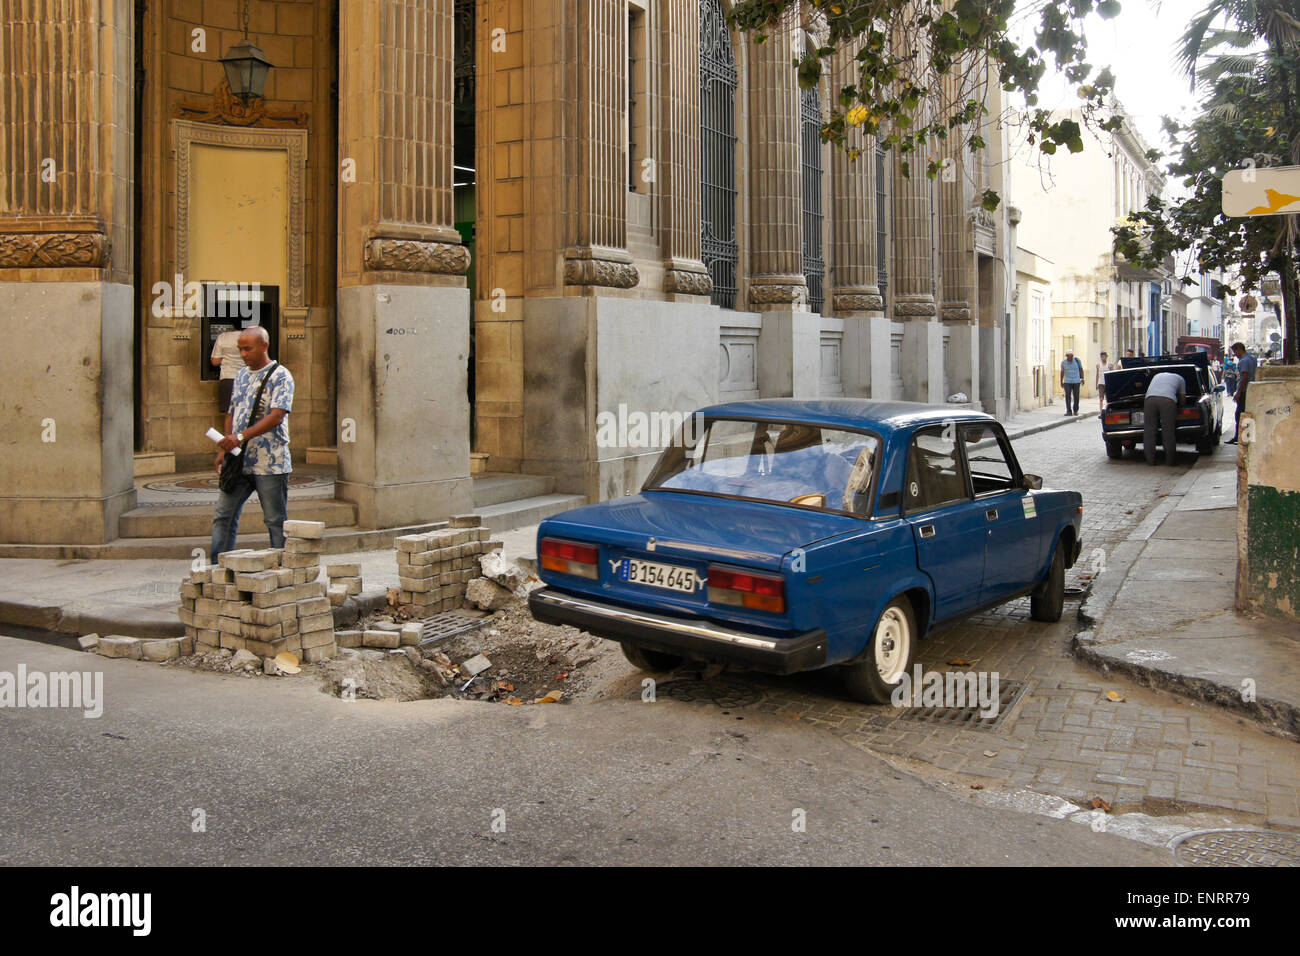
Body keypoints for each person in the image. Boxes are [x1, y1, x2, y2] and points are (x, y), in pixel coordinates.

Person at [210, 327, 295, 562]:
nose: (243, 354)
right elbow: (231, 412)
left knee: (275, 520)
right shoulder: (240, 375)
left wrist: (240, 436)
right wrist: (224, 447)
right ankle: (218, 570)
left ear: (264, 346)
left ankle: (283, 569)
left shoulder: (281, 375)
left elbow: (276, 415)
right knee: (223, 516)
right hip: (239, 460)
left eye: (248, 348)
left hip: (270, 463)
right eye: (240, 349)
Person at [1143, 369, 1186, 466]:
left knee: (1149, 431)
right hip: (1168, 401)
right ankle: (1170, 461)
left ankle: (1150, 461)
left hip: (1149, 400)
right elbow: (1183, 400)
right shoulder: (1181, 379)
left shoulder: (1157, 376)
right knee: (1168, 431)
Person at [1225, 341, 1256, 444]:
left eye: (1235, 352)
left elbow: (1244, 377)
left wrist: (1238, 393)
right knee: (1248, 414)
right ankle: (1245, 437)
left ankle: (1239, 437)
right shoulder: (1252, 359)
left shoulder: (1243, 361)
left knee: (1239, 414)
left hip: (1244, 391)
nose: (1235, 354)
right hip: (1251, 390)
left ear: (1239, 349)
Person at [210, 327, 244, 413]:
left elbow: (215, 361)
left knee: (229, 413)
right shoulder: (251, 337)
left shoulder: (223, 337)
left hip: (228, 377)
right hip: (247, 378)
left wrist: (226, 358)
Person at [1060, 348, 1084, 415]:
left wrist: (1082, 378)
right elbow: (1062, 372)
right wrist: (1061, 381)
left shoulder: (1077, 361)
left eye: (1071, 356)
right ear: (1067, 356)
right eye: (1069, 356)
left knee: (1076, 396)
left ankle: (1075, 410)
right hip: (1067, 381)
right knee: (1067, 395)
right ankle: (1069, 411)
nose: (1070, 357)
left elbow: (1081, 369)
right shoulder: (1063, 363)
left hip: (1076, 381)